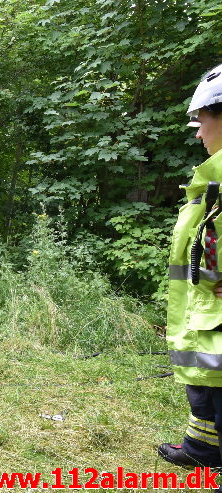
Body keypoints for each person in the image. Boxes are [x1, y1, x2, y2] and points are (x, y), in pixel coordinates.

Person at [159, 62, 222, 471]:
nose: (197, 132)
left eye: (201, 121)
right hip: (205, 315)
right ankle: (204, 448)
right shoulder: (213, 180)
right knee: (208, 388)